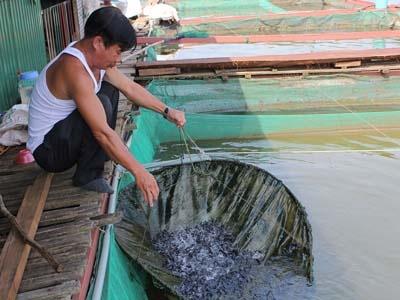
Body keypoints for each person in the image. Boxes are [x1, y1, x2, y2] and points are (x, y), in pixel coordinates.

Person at [27, 7, 185, 207]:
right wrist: (139, 171)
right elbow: (101, 132)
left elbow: (129, 87)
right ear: (98, 42)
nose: (118, 59)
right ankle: (88, 175)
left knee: (110, 89)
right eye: (118, 51)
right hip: (49, 153)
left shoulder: (94, 58)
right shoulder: (74, 69)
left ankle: (92, 166)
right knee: (101, 105)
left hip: (64, 136)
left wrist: (167, 111)